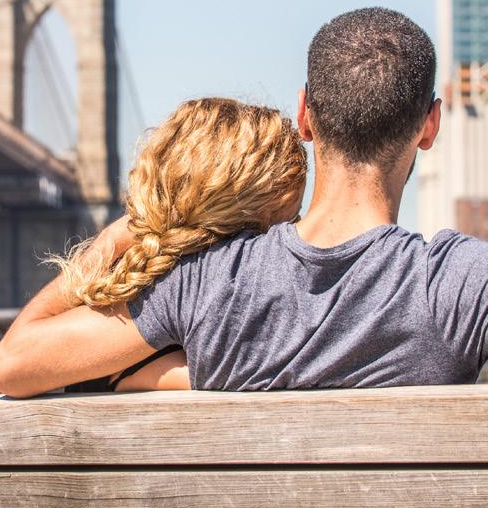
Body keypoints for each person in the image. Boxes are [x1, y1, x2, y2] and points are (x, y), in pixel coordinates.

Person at [0, 7, 488, 398]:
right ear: (428, 126)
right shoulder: (454, 281)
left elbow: (14, 365)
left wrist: (131, 230)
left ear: (306, 117)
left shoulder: (204, 279)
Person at [47, 96, 308, 391]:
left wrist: (107, 243)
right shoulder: (233, 317)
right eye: (289, 219)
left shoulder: (128, 309)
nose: (292, 230)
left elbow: (14, 358)